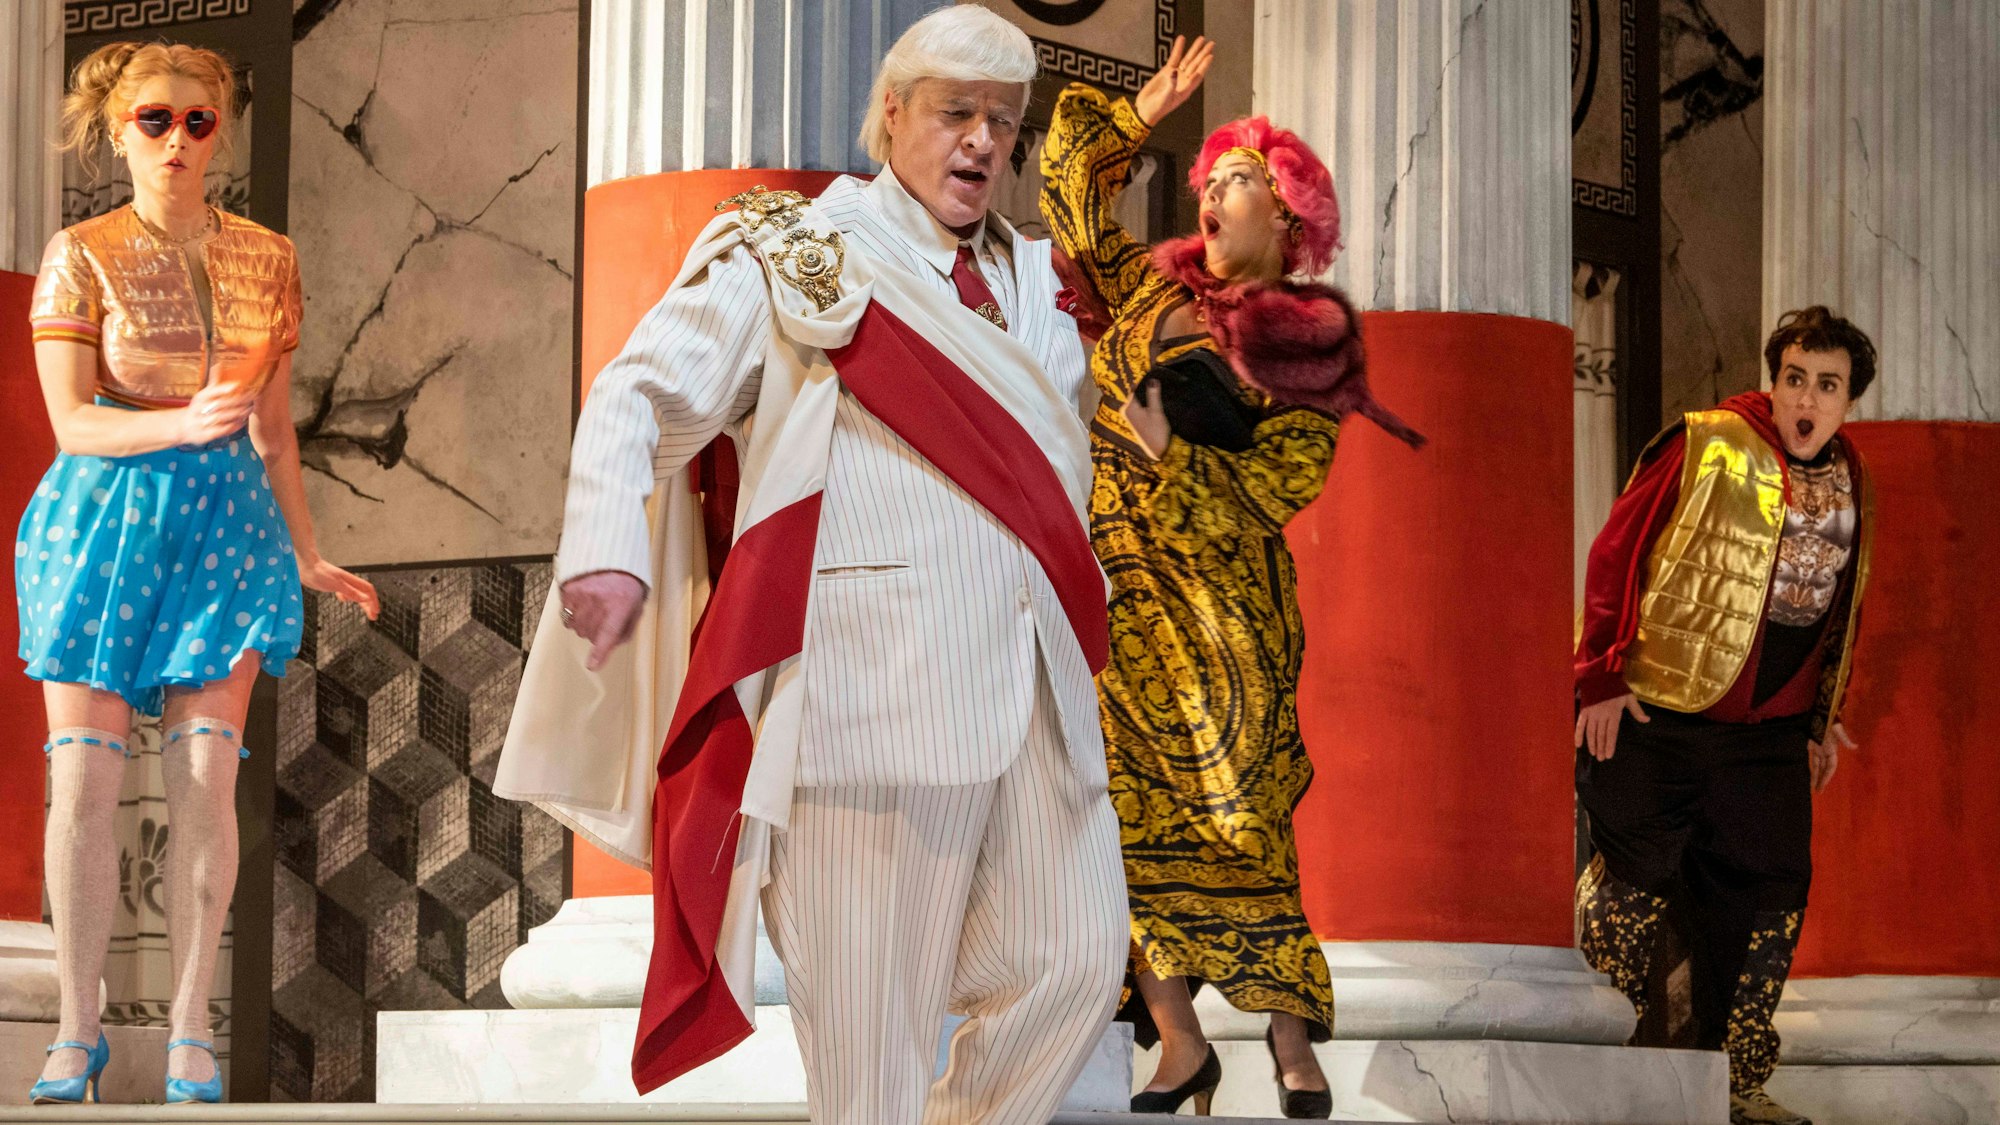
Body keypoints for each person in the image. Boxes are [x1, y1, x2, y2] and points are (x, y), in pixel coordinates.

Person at [493, 7, 1126, 1123]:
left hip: (1040, 695)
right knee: (870, 1059)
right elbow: (640, 392)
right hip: (868, 694)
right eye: (955, 115)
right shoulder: (796, 247)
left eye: (1003, 123)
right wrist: (604, 552)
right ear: (890, 116)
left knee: (1076, 962)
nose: (982, 142)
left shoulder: (1038, 280)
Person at [1040, 36, 1423, 1119]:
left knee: (1240, 812)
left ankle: (1291, 1046)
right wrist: (1137, 117)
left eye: (1238, 181)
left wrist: (1174, 455)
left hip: (1224, 609)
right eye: (1206, 180)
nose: (1212, 194)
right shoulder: (1139, 291)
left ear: (1291, 217)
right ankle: (1177, 1044)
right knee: (1130, 822)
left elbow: (1285, 481)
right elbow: (1068, 196)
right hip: (1118, 598)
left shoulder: (1308, 333)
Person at [19, 42, 378, 1105]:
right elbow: (73, 423)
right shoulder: (79, 252)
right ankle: (77, 1026)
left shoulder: (268, 256)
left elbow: (272, 431)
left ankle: (187, 1029)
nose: (176, 140)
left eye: (196, 122)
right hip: (99, 528)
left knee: (205, 780)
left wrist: (307, 549)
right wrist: (180, 418)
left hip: (226, 528)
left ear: (222, 131)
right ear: (117, 129)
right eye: (153, 120)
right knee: (83, 780)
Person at [1572, 307, 1877, 1125]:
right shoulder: (1707, 440)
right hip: (1661, 712)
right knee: (1637, 884)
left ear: (1849, 400)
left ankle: (1728, 1080)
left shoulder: (1853, 476)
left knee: (1765, 898)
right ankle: (1601, 1063)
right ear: (1772, 380)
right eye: (1795, 378)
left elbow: (1836, 606)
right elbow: (1617, 552)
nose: (1807, 399)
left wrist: (1820, 715)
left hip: (1768, 736)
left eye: (1828, 385)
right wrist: (1598, 676)